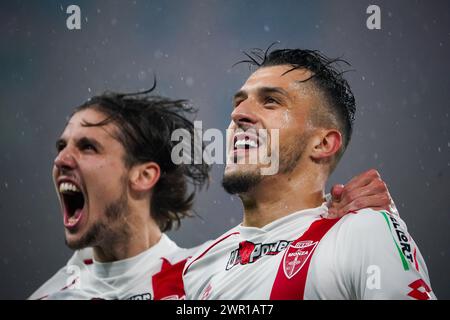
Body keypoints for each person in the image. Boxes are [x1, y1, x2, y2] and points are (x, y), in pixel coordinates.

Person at [30, 81, 395, 300]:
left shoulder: (204, 272)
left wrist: (325, 225)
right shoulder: (49, 294)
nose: (62, 159)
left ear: (144, 176)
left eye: (88, 147)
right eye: (61, 147)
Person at [183, 48, 436, 300]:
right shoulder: (198, 267)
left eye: (271, 101)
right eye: (239, 102)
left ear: (323, 144)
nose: (237, 114)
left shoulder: (361, 233)